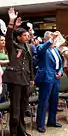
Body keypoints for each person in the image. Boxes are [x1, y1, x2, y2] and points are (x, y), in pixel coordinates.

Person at [3, 8, 34, 136]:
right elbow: (9, 37)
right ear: (19, 37)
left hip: (25, 79)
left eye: (28, 35)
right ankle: (14, 132)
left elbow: (30, 63)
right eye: (25, 36)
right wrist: (11, 22)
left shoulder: (27, 46)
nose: (28, 37)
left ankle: (22, 131)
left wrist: (32, 78)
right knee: (15, 109)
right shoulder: (12, 46)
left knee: (23, 108)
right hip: (15, 80)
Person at [35, 31, 63, 133]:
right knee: (44, 101)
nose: (54, 40)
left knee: (54, 101)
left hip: (56, 78)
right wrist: (51, 40)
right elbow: (41, 50)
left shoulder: (55, 49)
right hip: (46, 78)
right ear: (46, 39)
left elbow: (60, 63)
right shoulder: (41, 47)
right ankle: (40, 124)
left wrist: (60, 71)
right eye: (52, 39)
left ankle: (52, 121)